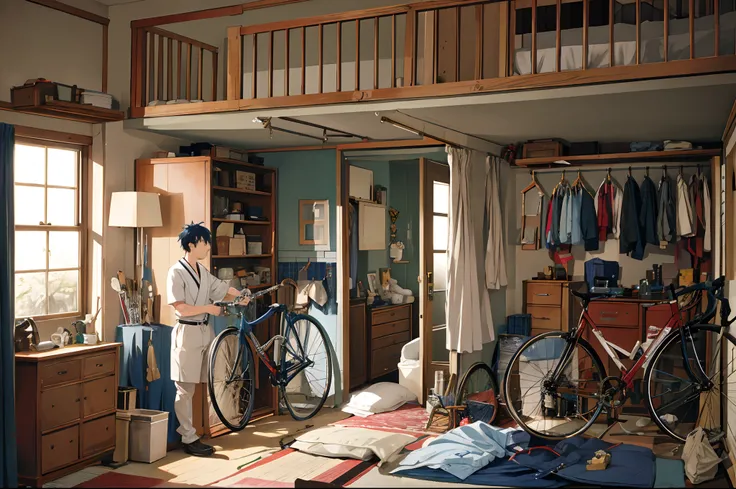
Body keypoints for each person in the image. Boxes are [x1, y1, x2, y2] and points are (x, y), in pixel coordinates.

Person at [166, 222, 250, 457]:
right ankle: (188, 436)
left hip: (205, 331)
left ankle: (205, 428)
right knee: (185, 388)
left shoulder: (202, 271)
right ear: (192, 244)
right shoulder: (176, 272)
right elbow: (180, 308)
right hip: (187, 332)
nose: (208, 247)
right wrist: (209, 309)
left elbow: (221, 287)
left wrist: (240, 294)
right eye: (205, 243)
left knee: (209, 381)